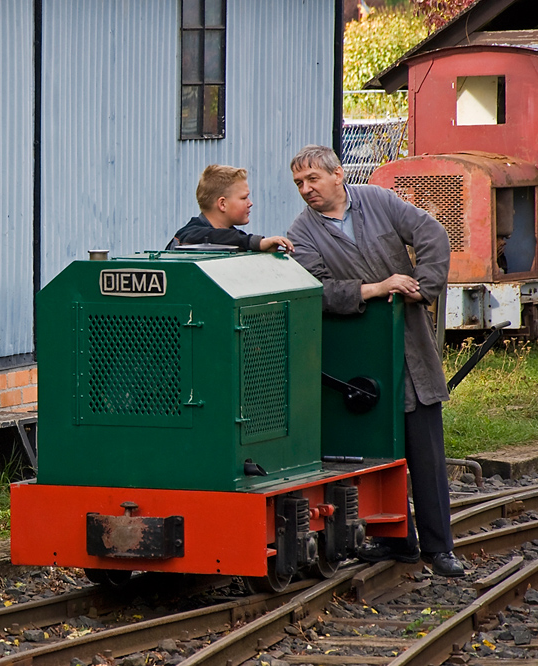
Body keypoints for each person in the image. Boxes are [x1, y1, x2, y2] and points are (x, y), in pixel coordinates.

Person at [285, 144, 464, 578]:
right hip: (357, 355)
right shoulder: (302, 232)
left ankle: (440, 548)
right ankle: (395, 541)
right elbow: (316, 291)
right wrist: (373, 288)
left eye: (312, 179)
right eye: (298, 184)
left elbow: (432, 234)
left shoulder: (378, 200)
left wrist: (425, 287)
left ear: (337, 174)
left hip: (410, 345)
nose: (306, 190)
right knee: (373, 451)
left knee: (425, 449)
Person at [166, 164, 294, 253]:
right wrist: (256, 243)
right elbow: (213, 237)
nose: (250, 203)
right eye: (244, 198)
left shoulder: (234, 238)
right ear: (222, 204)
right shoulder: (189, 236)